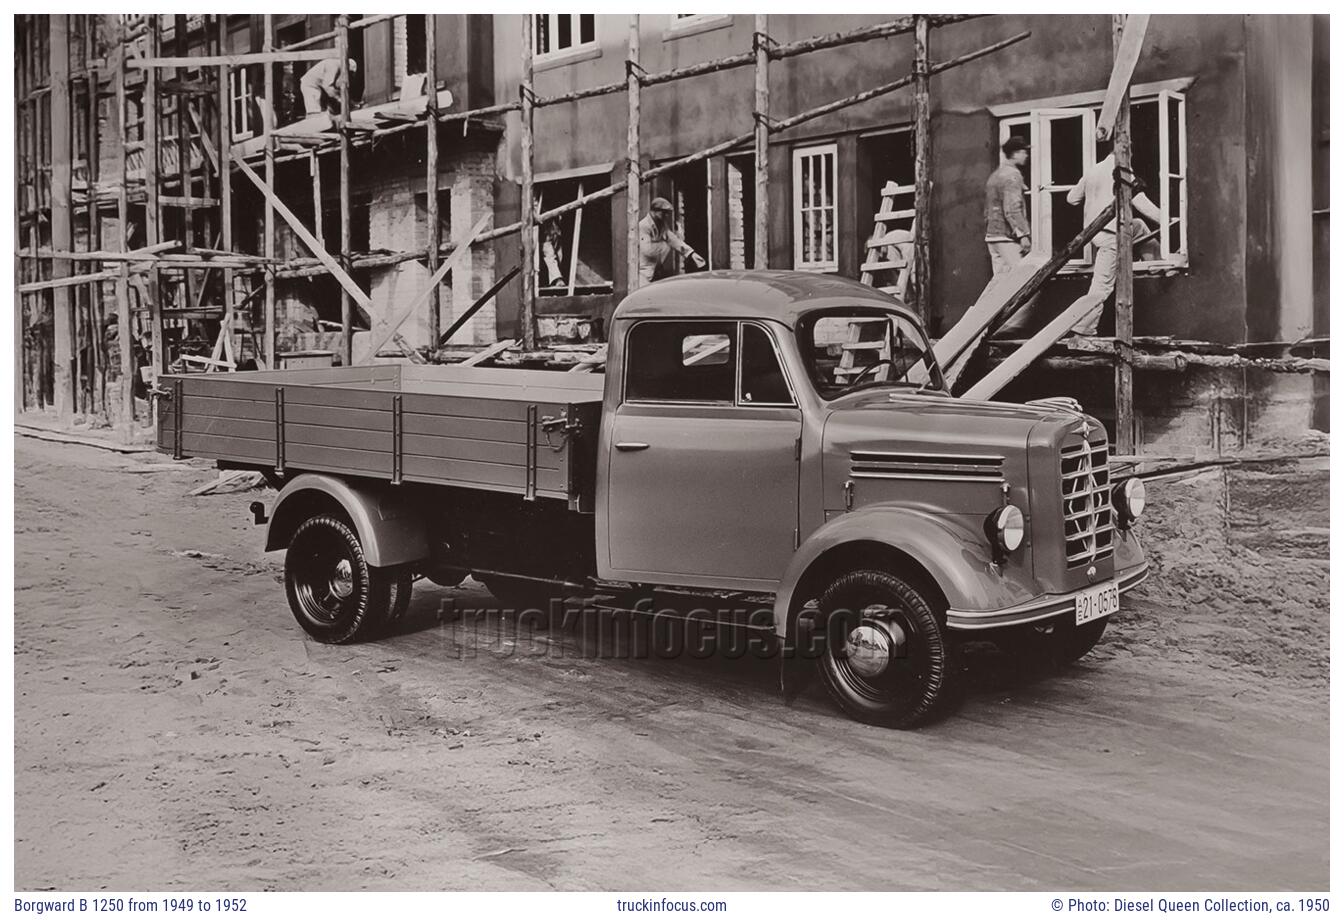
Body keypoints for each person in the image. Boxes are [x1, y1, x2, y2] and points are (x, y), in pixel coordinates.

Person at [1063, 152, 1161, 336]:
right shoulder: (1122, 169)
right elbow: (1138, 200)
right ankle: (1084, 329)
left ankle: (1156, 263)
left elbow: (1071, 198)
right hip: (1111, 234)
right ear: (1127, 152)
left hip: (1094, 233)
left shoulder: (1093, 169)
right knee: (1102, 285)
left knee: (1139, 226)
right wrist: (1165, 218)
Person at [984, 136, 1032, 276]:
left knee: (999, 283)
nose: (1026, 155)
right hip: (1006, 237)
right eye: (1024, 151)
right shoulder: (1013, 175)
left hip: (992, 235)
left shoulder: (996, 175)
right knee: (1019, 280)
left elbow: (988, 209)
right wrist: (1023, 234)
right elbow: (1012, 208)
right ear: (1016, 153)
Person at [638, 197, 705, 286]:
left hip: (655, 271)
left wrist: (691, 253)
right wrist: (665, 245)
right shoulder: (643, 226)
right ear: (654, 211)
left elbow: (673, 239)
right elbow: (647, 250)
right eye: (664, 212)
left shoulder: (661, 224)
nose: (666, 216)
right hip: (643, 273)